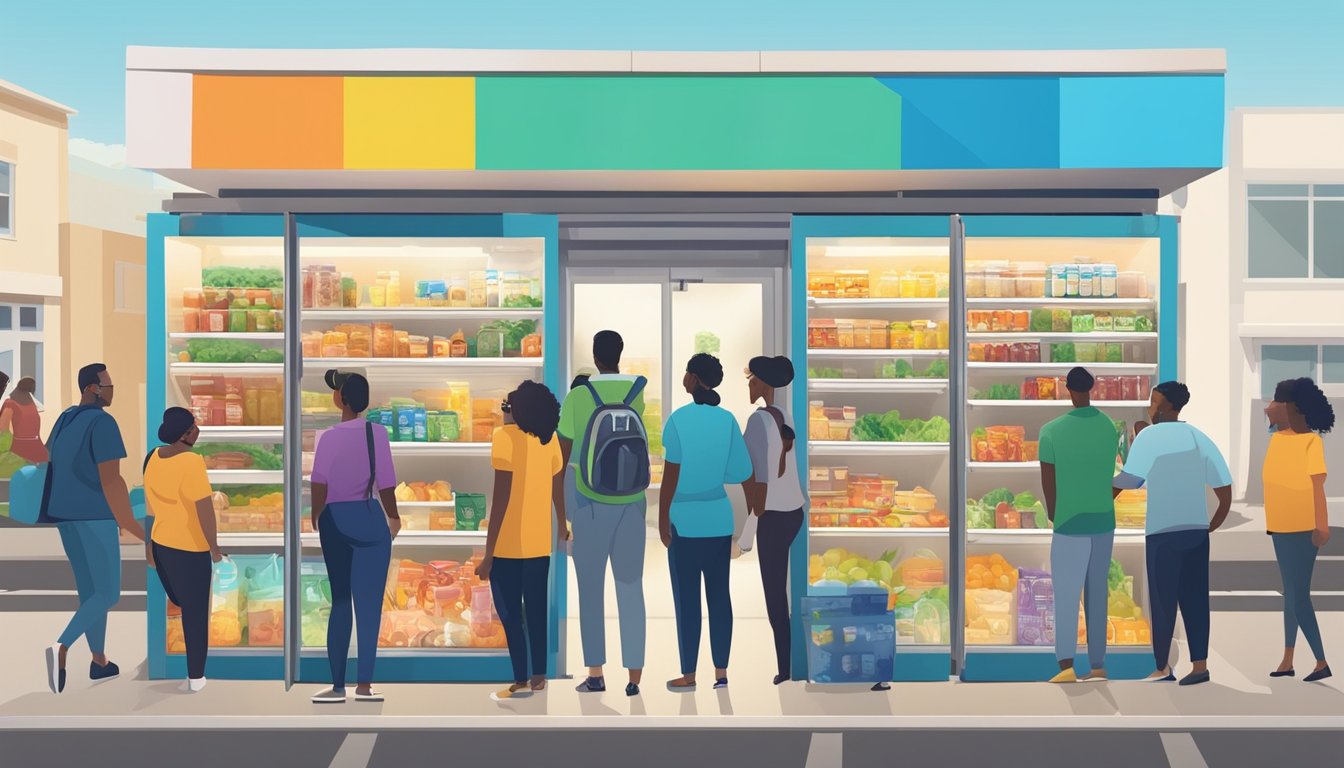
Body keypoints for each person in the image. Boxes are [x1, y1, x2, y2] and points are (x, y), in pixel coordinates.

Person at [1113, 381, 1232, 686]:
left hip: (1162, 532)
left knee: (1163, 601)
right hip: (1195, 531)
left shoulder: (1149, 437)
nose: (1149, 407)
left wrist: (1101, 499)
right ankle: (1200, 666)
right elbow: (1223, 485)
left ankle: (1162, 667)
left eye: (1153, 402)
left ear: (1165, 407)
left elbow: (1129, 480)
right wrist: (1214, 521)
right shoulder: (1196, 436)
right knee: (1195, 599)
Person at [42, 363, 145, 695]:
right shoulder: (103, 422)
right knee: (108, 592)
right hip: (95, 516)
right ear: (92, 388)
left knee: (90, 594)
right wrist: (129, 523)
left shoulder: (64, 418)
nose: (112, 390)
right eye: (108, 385)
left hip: (64, 516)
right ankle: (60, 646)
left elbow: (48, 459)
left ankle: (99, 661)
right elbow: (111, 479)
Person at [559, 333, 649, 697]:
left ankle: (596, 673)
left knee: (591, 590)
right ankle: (634, 676)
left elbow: (562, 457)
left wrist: (562, 514)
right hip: (632, 504)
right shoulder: (636, 392)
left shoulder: (579, 396)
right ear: (620, 355)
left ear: (595, 357)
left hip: (589, 504)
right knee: (630, 587)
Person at [661, 353, 753, 692]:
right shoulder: (727, 420)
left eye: (687, 372)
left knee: (687, 602)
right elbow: (741, 472)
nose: (683, 377)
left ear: (695, 379)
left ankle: (688, 675)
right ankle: (721, 674)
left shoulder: (677, 420)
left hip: (683, 521)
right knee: (719, 597)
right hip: (718, 518)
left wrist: (661, 520)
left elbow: (670, 476)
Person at [309, 370, 400, 704]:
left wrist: (316, 515)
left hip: (336, 520)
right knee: (370, 607)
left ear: (342, 399)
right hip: (370, 519)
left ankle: (336, 686)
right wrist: (393, 516)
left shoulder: (329, 437)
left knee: (341, 601)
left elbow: (319, 482)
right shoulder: (378, 434)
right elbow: (386, 483)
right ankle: (365, 685)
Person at [478, 380, 566, 701]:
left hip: (508, 546)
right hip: (538, 543)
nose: (505, 412)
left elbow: (500, 498)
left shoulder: (504, 438)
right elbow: (558, 486)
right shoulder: (550, 440)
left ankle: (519, 679)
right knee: (537, 610)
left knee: (511, 614)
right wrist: (562, 522)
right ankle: (539, 676)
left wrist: (489, 553)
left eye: (508, 406)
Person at [1039, 366, 1118, 684]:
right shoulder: (1109, 427)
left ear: (1067, 389)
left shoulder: (1051, 431)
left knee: (1067, 594)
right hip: (1103, 519)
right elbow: (1111, 472)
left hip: (1069, 521)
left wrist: (1055, 515)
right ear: (1093, 388)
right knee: (1098, 592)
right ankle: (1098, 665)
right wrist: (1103, 497)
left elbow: (1048, 482)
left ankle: (1067, 666)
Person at [144, 407, 222, 692]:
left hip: (163, 544)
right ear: (186, 433)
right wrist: (214, 548)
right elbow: (205, 510)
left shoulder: (152, 457)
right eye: (195, 426)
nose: (198, 429)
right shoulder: (191, 462)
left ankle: (190, 674)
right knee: (196, 614)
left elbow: (150, 508)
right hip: (191, 548)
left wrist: (148, 543)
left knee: (179, 602)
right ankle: (196, 677)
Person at [1263, 377, 1334, 683]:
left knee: (1298, 596)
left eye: (1274, 402)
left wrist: (1322, 525)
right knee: (1289, 594)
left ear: (1290, 407)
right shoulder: (1277, 440)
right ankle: (1288, 658)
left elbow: (1318, 486)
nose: (1268, 408)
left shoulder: (1311, 442)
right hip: (1279, 527)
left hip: (1303, 528)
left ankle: (1321, 661)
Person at [743, 355, 806, 685]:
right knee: (788, 591)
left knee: (774, 596)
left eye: (752, 380)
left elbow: (758, 478)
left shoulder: (757, 421)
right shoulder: (785, 416)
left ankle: (787, 667)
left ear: (765, 383)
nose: (749, 386)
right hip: (794, 513)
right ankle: (792, 661)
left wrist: (746, 533)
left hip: (772, 517)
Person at [0, 377, 49, 465]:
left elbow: (2, 431)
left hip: (20, 452)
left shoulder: (10, 404)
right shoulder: (33, 405)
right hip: (39, 452)